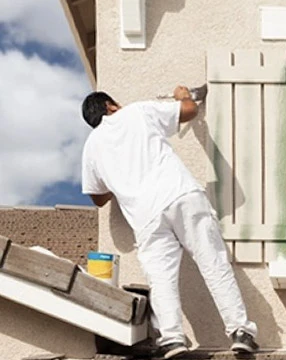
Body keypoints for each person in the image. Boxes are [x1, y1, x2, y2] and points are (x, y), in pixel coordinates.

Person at [80, 87, 259, 359]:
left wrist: (118, 177)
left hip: (145, 216)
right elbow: (190, 110)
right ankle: (240, 331)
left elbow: (97, 197)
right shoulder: (137, 111)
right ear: (111, 106)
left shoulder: (91, 147)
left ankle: (173, 340)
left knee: (161, 279)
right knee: (212, 262)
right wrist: (182, 96)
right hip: (180, 194)